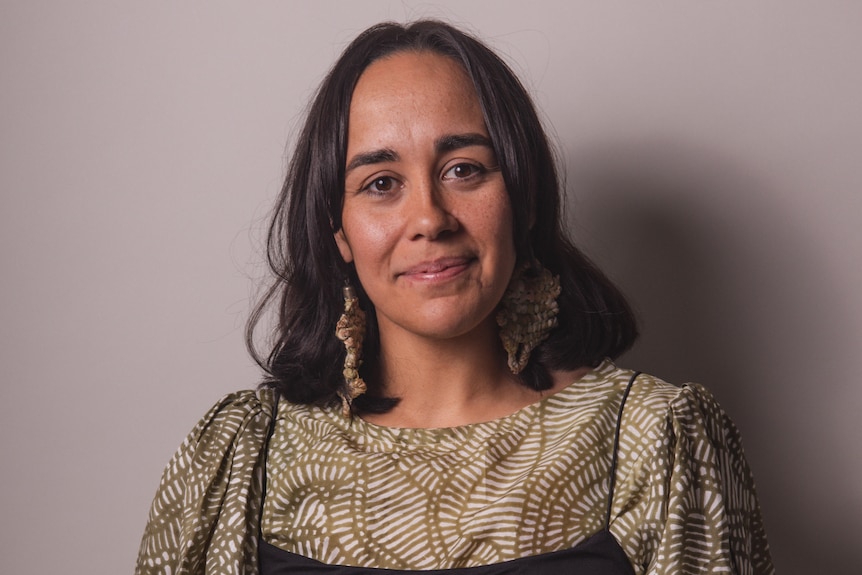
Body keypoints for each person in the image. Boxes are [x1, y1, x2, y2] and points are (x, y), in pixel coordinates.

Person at [136, 20, 774, 575]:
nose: (430, 218)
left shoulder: (652, 441)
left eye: (464, 169)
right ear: (340, 232)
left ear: (521, 199)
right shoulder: (243, 456)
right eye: (381, 182)